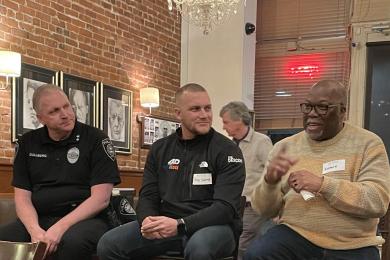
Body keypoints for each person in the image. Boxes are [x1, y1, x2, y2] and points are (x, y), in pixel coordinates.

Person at [244, 79, 390, 260]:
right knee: (257, 254)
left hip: (352, 243)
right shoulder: (285, 147)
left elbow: (377, 201)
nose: (312, 114)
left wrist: (323, 185)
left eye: (322, 107)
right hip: (297, 235)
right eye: (307, 106)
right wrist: (270, 182)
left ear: (342, 111)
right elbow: (264, 210)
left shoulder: (368, 143)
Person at [97, 83, 245, 260]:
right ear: (178, 114)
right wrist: (147, 221)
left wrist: (180, 224)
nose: (204, 115)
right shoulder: (160, 149)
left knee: (199, 249)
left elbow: (225, 208)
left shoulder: (227, 150)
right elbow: (148, 196)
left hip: (215, 227)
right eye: (195, 109)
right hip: (167, 224)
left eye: (208, 108)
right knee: (109, 244)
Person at [0, 84, 121, 260]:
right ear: (40, 118)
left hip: (88, 219)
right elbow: (22, 198)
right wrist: (35, 231)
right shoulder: (27, 143)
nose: (65, 114)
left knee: (70, 243)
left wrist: (59, 228)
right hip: (40, 218)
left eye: (66, 106)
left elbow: (100, 199)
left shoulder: (96, 139)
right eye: (54, 111)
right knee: (4, 239)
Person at [220, 101, 273, 260]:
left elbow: (272, 173)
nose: (223, 127)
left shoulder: (261, 141)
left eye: (226, 122)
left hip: (252, 206)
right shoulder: (227, 145)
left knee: (243, 246)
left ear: (239, 121)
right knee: (230, 244)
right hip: (230, 206)